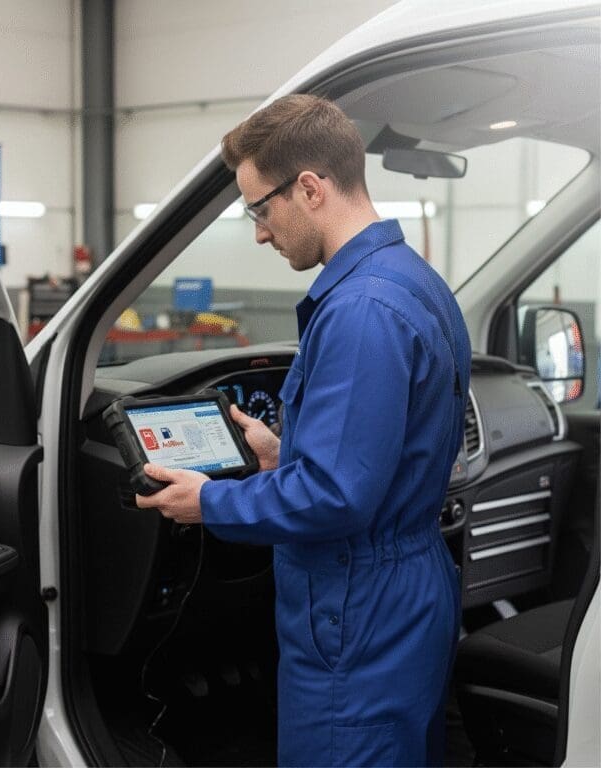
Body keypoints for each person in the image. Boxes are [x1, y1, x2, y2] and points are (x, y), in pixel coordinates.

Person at [136, 94, 472, 767]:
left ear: (311, 189)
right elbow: (379, 454)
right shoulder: (412, 281)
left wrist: (209, 501)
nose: (260, 234)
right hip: (408, 589)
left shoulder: (360, 312)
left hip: (357, 609)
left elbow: (335, 497)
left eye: (260, 209)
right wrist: (284, 454)